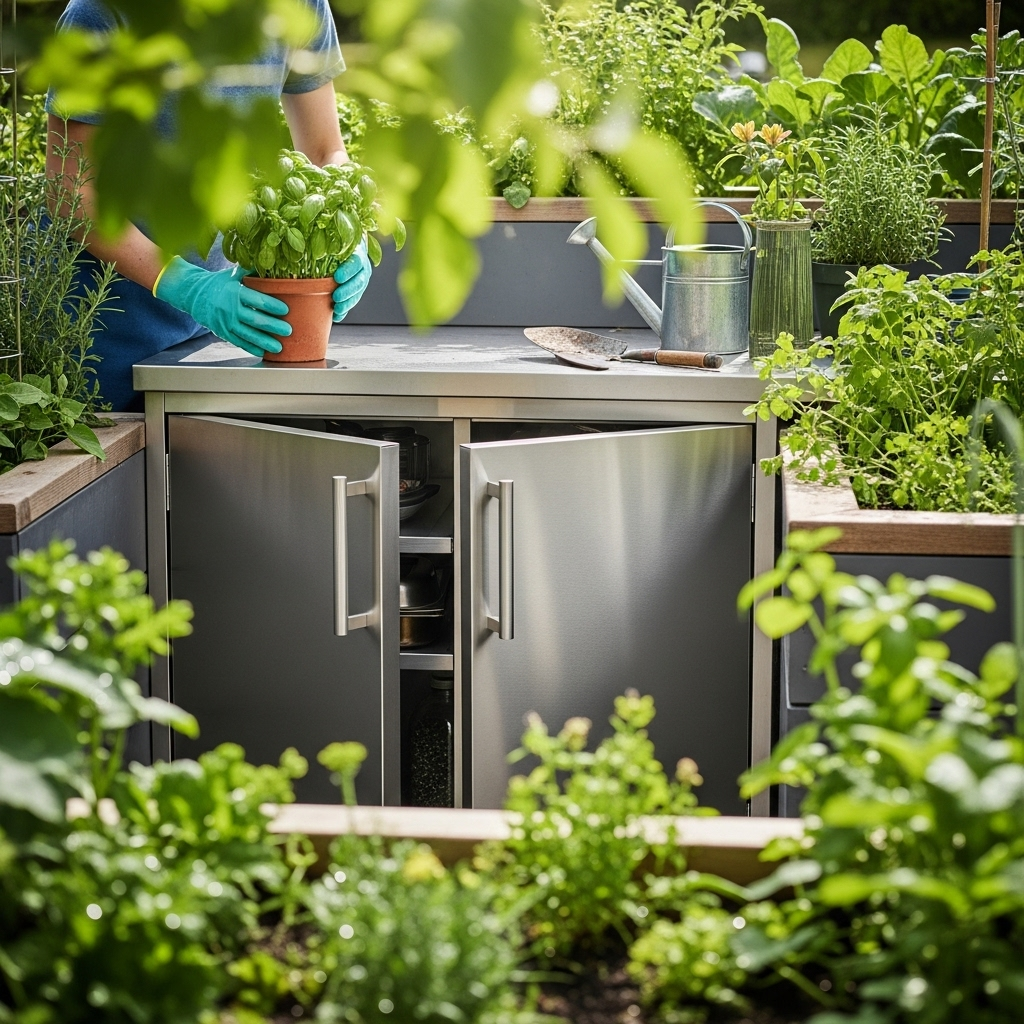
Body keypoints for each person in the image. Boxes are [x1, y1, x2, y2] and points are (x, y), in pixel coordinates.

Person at [45, 0, 371, 411]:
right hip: (102, 335)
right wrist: (188, 285)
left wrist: (351, 236)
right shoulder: (101, 12)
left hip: (219, 330)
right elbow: (72, 192)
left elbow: (325, 150)